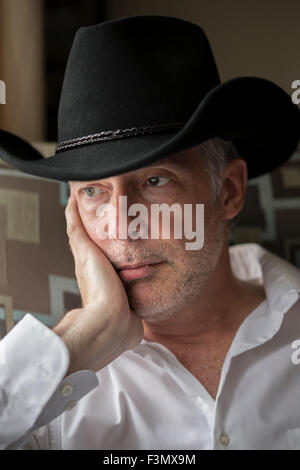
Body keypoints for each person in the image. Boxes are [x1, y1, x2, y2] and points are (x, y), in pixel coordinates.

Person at [0, 15, 300, 450]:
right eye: (93, 191)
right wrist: (81, 343)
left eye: (156, 180)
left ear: (229, 191)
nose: (122, 226)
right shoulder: (44, 395)